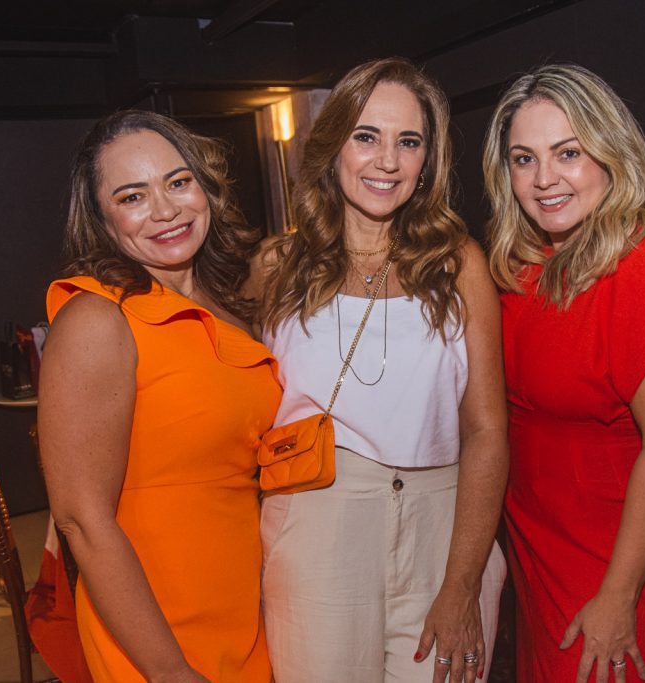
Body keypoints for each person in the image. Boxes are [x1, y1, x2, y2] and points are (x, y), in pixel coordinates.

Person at [483, 64, 645, 682]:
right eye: (524, 159)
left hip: (618, 556)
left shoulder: (644, 264)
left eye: (567, 153)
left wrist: (620, 595)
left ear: (611, 151)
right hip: (542, 546)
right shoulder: (524, 259)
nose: (544, 179)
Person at [251, 57, 508, 683]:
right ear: (334, 144)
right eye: (366, 136)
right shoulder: (277, 265)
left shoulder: (459, 264)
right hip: (317, 529)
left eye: (408, 142)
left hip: (444, 528)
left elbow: (488, 432)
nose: (387, 161)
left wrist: (462, 581)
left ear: (427, 162)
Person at [37, 110, 279, 683]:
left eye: (178, 182)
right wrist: (169, 670)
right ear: (100, 218)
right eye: (132, 196)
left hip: (244, 603)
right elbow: (81, 520)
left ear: (205, 186)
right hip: (156, 625)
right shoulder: (97, 319)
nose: (166, 210)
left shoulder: (230, 302)